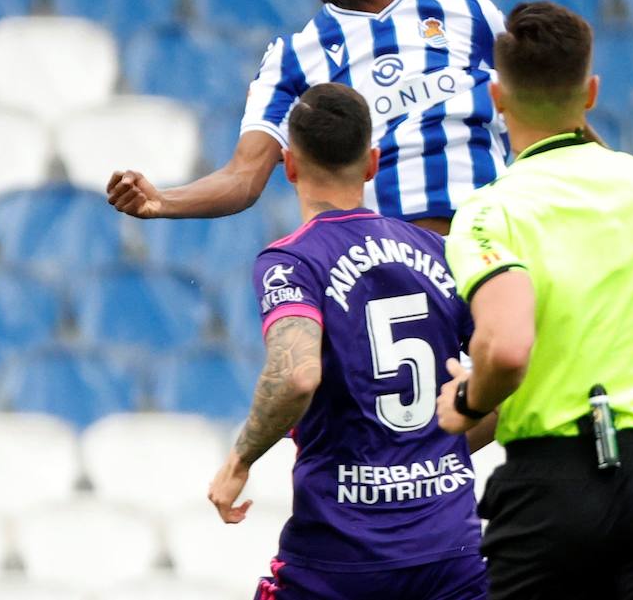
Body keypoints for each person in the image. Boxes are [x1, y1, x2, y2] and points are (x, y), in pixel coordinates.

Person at [435, 0, 633, 600]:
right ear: (592, 91)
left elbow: (508, 348)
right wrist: (617, 353)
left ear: (497, 97)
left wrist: (468, 402)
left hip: (550, 488)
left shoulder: (489, 212)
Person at [107, 0, 508, 235]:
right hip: (395, 265)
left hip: (497, 242)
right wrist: (162, 201)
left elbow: (541, 107)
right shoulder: (294, 58)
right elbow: (243, 177)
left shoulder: (467, 11)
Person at [208, 82, 487, 600]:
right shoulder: (442, 251)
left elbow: (296, 374)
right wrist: (438, 445)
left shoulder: (293, 261)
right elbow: (516, 364)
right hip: (451, 554)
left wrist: (239, 460)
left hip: (341, 558)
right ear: (372, 162)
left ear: (288, 166)